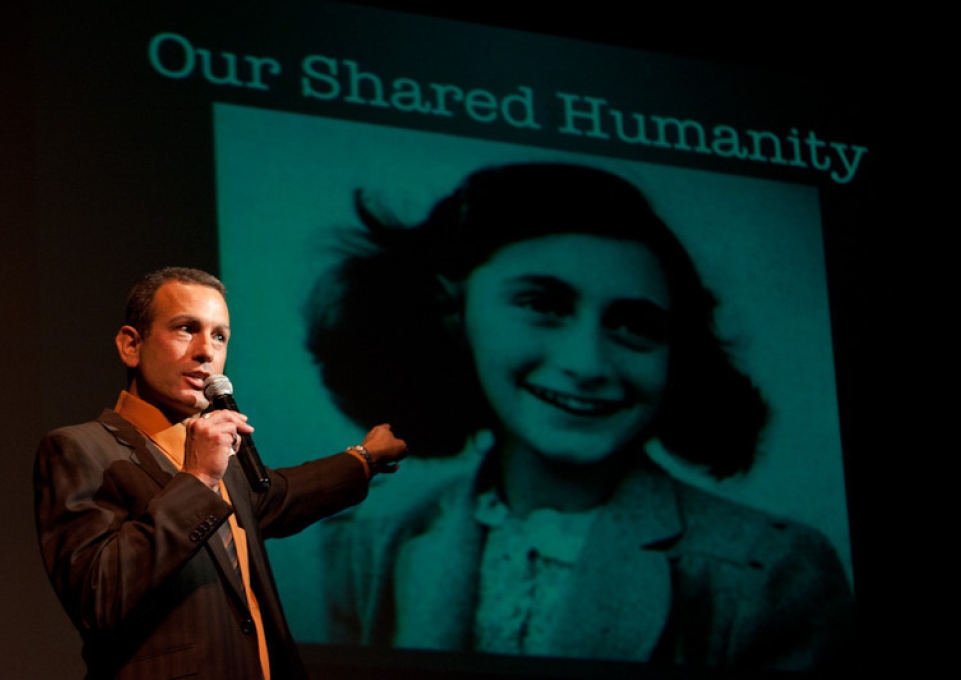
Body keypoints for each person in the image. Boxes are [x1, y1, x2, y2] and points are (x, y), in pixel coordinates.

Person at [304, 163, 853, 671]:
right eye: (543, 305)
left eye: (634, 324)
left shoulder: (772, 569)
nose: (588, 364)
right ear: (452, 318)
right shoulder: (366, 546)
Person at [34, 267, 408, 680]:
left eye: (219, 336)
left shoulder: (224, 465)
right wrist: (196, 480)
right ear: (131, 345)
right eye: (185, 329)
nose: (206, 352)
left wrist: (366, 457)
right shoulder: (79, 448)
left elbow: (286, 492)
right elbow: (97, 596)